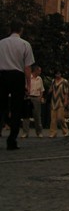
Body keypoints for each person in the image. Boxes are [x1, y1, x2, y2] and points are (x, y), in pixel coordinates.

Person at [0, 19, 35, 150]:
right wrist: (28, 84)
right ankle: (12, 140)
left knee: (1, 107)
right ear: (21, 30)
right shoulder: (25, 44)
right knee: (16, 109)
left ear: (10, 29)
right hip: (17, 76)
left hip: (2, 75)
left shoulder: (1, 43)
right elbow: (27, 67)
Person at [22, 64, 44, 138]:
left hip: (36, 98)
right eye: (39, 70)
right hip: (28, 97)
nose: (40, 72)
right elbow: (24, 87)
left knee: (37, 116)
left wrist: (40, 97)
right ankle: (25, 132)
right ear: (36, 70)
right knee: (26, 116)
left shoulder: (39, 79)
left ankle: (39, 132)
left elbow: (42, 90)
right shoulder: (28, 77)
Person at [48, 70, 69, 137]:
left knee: (60, 118)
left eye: (59, 74)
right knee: (53, 119)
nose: (58, 75)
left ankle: (65, 131)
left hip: (61, 101)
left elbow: (66, 92)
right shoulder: (53, 81)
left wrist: (66, 100)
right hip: (53, 101)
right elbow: (51, 89)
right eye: (57, 74)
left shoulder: (64, 81)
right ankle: (53, 133)